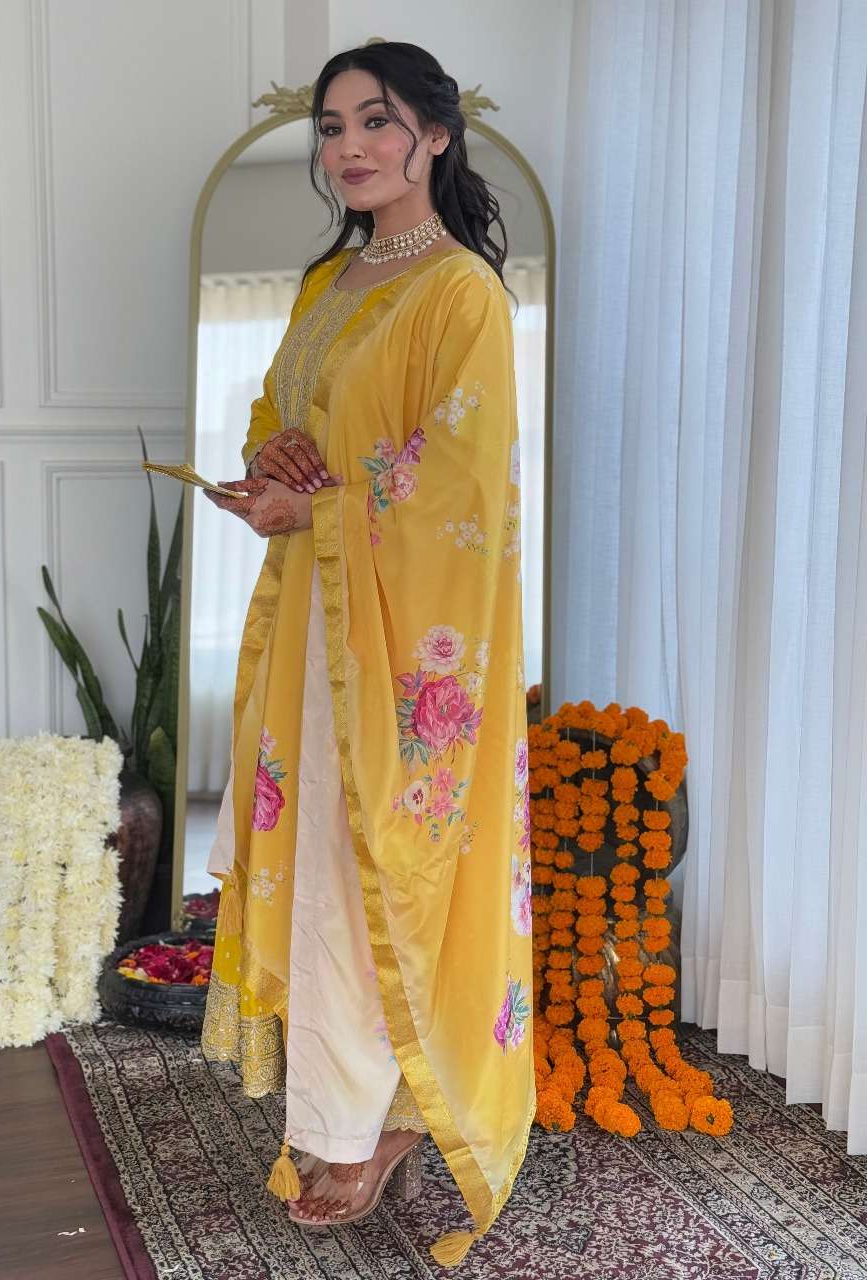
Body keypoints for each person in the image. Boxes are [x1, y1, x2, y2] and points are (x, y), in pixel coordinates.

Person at [200, 40, 534, 1267]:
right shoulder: (329, 283)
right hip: (316, 619)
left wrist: (326, 507)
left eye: (376, 121)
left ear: (435, 134)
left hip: (401, 644)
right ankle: (350, 1111)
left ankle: (369, 1123)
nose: (349, 147)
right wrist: (276, 460)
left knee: (364, 869)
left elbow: (460, 485)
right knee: (318, 861)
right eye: (332, 126)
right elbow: (283, 413)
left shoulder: (461, 294)